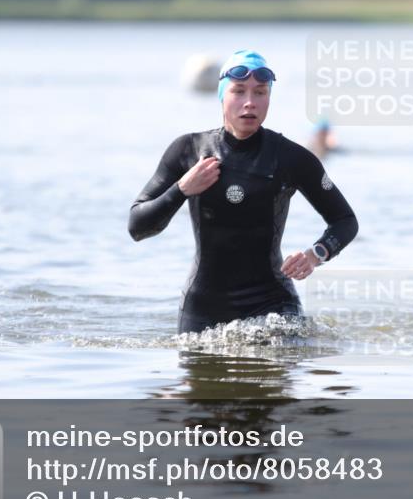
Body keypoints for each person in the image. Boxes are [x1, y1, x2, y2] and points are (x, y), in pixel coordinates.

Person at [129, 50, 359, 334]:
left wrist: (317, 254)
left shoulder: (291, 158)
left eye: (260, 92)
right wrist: (182, 189)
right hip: (203, 308)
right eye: (239, 91)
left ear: (269, 98)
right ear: (222, 96)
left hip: (273, 305)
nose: (250, 103)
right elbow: (137, 227)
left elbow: (345, 220)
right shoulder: (188, 151)